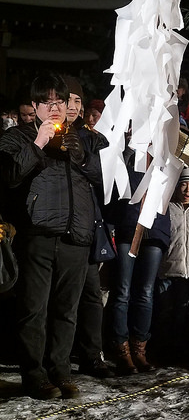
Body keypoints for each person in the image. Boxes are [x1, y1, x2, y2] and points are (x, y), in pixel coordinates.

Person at [0, 72, 106, 399]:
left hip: (77, 233)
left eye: (59, 100)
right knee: (34, 308)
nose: (54, 107)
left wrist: (84, 157)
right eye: (46, 102)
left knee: (67, 309)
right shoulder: (17, 137)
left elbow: (109, 181)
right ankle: (34, 375)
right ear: (35, 106)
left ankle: (61, 371)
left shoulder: (83, 137)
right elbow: (8, 178)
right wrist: (37, 144)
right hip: (37, 233)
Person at [61, 75, 113, 379]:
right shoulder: (47, 134)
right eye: (68, 99)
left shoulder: (93, 137)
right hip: (61, 227)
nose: (73, 106)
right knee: (63, 297)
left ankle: (93, 355)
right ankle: (60, 356)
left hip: (89, 225)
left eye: (78, 100)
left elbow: (105, 178)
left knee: (92, 295)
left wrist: (82, 157)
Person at [106, 144, 171, 375]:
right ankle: (121, 348)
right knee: (122, 290)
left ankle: (140, 348)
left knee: (145, 290)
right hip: (127, 226)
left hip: (155, 227)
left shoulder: (166, 151)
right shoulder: (125, 153)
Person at [152, 166, 189, 365]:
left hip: (188, 272)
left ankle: (176, 350)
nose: (188, 190)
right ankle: (160, 351)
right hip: (166, 270)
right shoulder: (166, 206)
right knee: (163, 311)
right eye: (184, 184)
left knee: (181, 313)